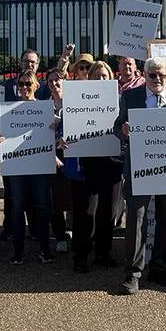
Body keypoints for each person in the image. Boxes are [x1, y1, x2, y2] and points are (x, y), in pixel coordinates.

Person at [114, 57, 166, 295]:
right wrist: (123, 131)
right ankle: (133, 272)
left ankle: (160, 267)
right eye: (152, 75)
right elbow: (117, 127)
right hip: (140, 168)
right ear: (144, 75)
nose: (157, 79)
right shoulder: (131, 97)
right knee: (136, 220)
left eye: (162, 75)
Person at [65, 61, 121, 273]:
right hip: (86, 163)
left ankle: (103, 253)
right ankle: (81, 255)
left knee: (108, 211)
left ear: (110, 78)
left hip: (111, 163)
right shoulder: (77, 99)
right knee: (86, 212)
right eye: (96, 75)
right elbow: (66, 126)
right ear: (89, 78)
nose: (101, 79)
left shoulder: (119, 100)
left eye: (104, 76)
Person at [0, 69, 56, 265]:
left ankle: (44, 248)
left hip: (39, 164)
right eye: (20, 84)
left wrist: (53, 131)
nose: (24, 88)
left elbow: (54, 136)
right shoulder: (8, 110)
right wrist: (1, 139)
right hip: (16, 165)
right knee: (17, 207)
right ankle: (18, 250)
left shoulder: (45, 109)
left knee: (41, 206)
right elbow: (3, 135)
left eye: (27, 84)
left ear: (36, 86)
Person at [44, 68, 73, 254]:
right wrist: (52, 149)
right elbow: (38, 135)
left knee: (75, 196)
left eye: (58, 80)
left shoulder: (75, 103)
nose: (55, 84)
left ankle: (75, 231)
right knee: (55, 200)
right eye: (51, 81)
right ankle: (60, 236)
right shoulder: (43, 106)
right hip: (53, 156)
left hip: (74, 155)